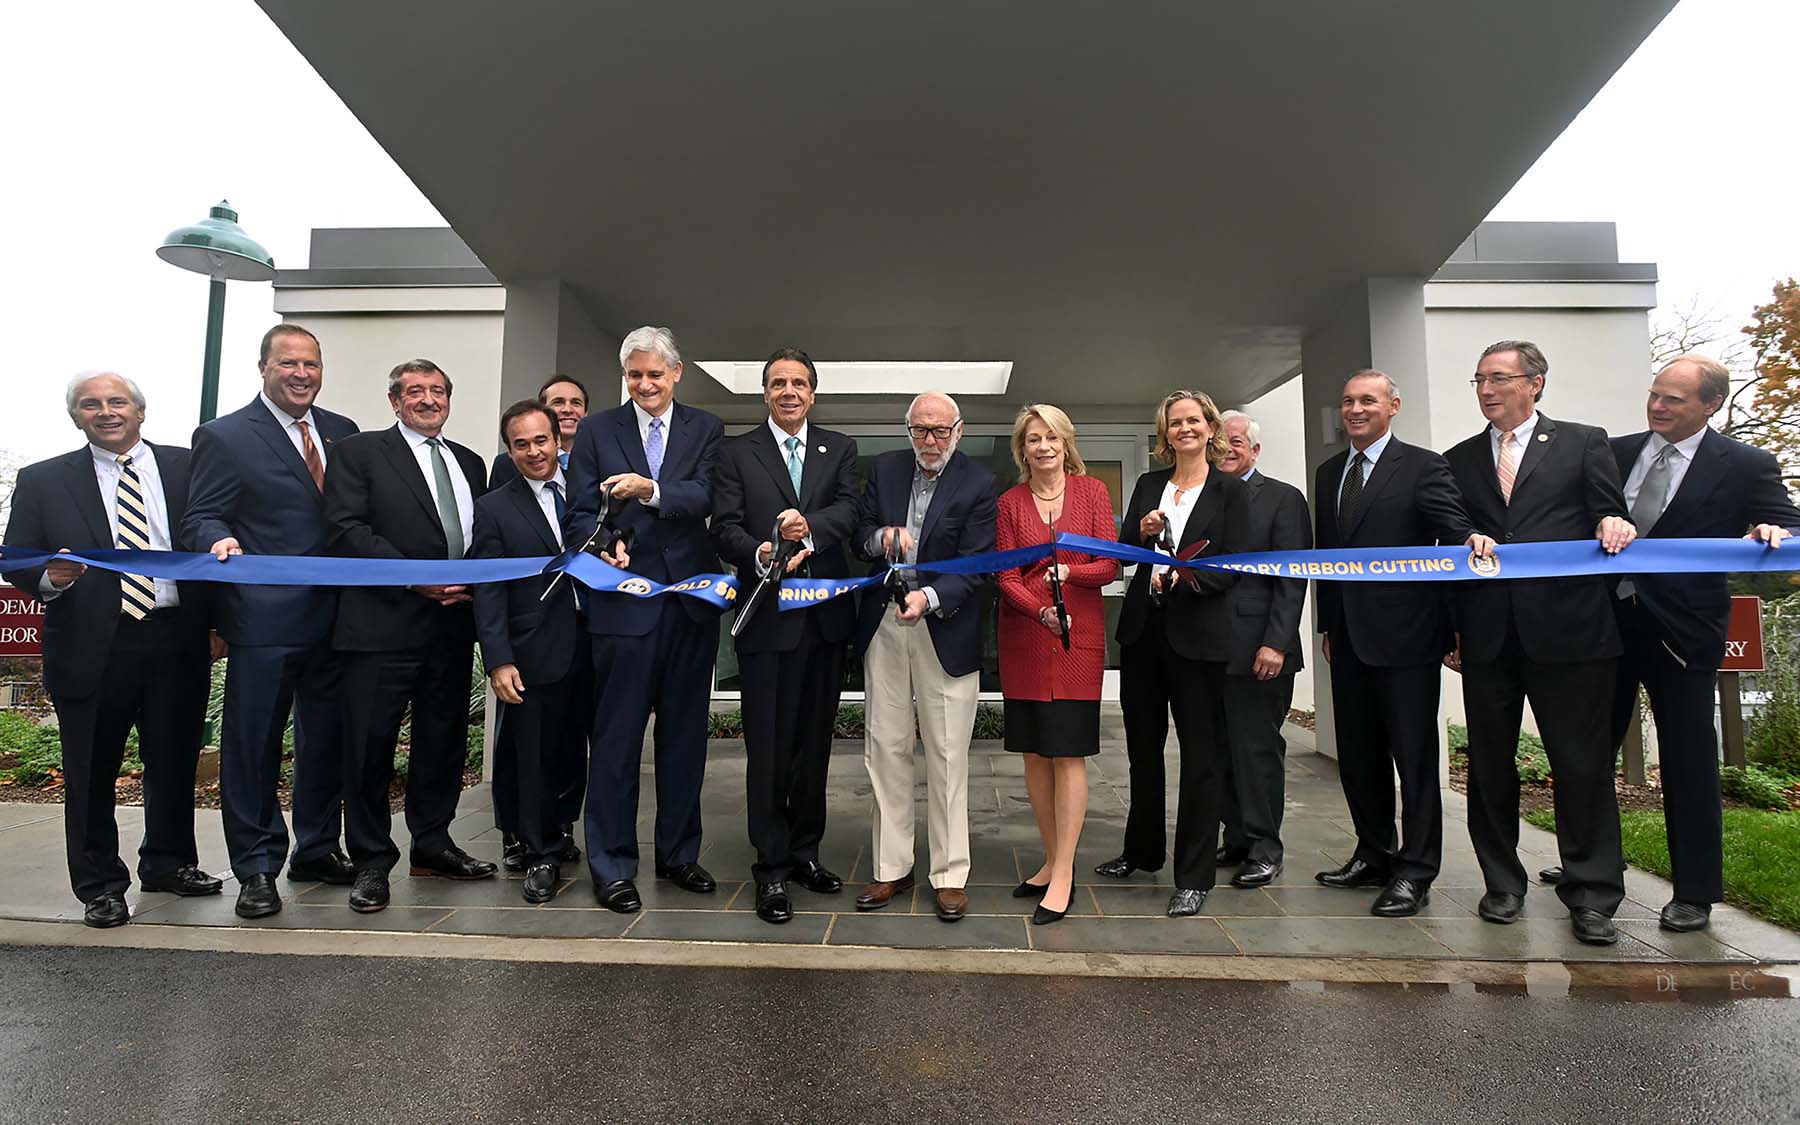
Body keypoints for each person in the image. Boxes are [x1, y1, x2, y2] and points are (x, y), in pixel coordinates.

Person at [1550, 353, 1799, 933]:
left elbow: (1788, 523)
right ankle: (1585, 869)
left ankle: (1694, 891)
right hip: (1602, 625)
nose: (1657, 406)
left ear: (1711, 405)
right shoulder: (1614, 450)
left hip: (1683, 635)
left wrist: (1772, 531)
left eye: (1674, 400)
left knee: (1689, 762)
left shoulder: (1745, 464)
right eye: (1655, 394)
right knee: (1585, 757)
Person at [5, 373, 220, 927]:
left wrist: (220, 624)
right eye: (90, 405)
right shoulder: (44, 479)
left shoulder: (187, 466)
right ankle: (99, 883)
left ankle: (169, 862)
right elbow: (17, 557)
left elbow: (211, 538)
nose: (105, 412)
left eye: (117, 402)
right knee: (91, 770)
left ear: (140, 412)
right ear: (76, 417)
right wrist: (47, 576)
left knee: (173, 760)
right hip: (92, 644)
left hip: (177, 635)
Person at [1443, 339, 1634, 946]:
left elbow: (1609, 511)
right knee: (1490, 766)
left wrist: (1613, 521)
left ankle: (1593, 893)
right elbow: (1450, 534)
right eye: (1478, 380)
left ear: (1536, 383)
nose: (1486, 390)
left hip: (1570, 632)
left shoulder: (1583, 441)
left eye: (1498, 378)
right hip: (1488, 636)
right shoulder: (1459, 458)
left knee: (1581, 766)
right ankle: (1502, 882)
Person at [185, 324, 360, 919]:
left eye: (311, 364)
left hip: (337, 617)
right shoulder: (225, 436)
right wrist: (219, 538)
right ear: (263, 366)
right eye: (288, 363)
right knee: (253, 745)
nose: (301, 374)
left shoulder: (342, 432)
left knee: (327, 741)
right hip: (263, 619)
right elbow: (201, 515)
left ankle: (316, 848)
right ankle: (257, 867)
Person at [1313, 370, 1488, 918]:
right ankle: (1373, 853)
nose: (1355, 410)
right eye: (1347, 401)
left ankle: (1416, 870)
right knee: (1358, 757)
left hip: (1407, 639)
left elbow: (1451, 528)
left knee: (1413, 759)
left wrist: (1468, 543)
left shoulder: (1423, 465)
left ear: (1394, 405)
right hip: (1347, 639)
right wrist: (1327, 626)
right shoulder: (1328, 473)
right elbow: (1328, 556)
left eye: (1367, 400)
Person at [322, 359, 495, 913]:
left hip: (450, 626)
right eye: (414, 392)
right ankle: (372, 861)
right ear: (394, 401)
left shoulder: (468, 462)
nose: (427, 400)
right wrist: (414, 578)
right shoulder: (359, 452)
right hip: (381, 626)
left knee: (441, 743)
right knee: (370, 747)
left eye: (438, 391)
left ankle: (433, 843)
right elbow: (346, 529)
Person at [566, 326, 725, 914]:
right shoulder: (596, 429)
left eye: (655, 374)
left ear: (676, 373)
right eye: (635, 375)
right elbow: (579, 509)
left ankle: (680, 854)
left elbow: (706, 495)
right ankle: (610, 865)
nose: (645, 385)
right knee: (616, 740)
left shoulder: (705, 427)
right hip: (622, 606)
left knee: (685, 739)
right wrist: (605, 541)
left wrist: (650, 490)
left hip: (688, 604)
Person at [710, 347, 859, 924]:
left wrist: (811, 531)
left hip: (823, 623)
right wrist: (760, 549)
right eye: (778, 383)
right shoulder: (735, 452)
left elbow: (849, 511)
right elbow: (723, 528)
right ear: (765, 393)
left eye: (799, 383)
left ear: (813, 393)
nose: (789, 392)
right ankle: (770, 869)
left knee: (815, 749)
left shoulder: (840, 449)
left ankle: (804, 854)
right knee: (769, 751)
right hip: (768, 622)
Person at [1097, 391, 1247, 916]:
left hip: (1200, 634)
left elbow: (1234, 563)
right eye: (1174, 423)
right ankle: (1140, 852)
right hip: (1144, 632)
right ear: (1165, 433)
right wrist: (1139, 531)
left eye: (1192, 421)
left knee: (1201, 758)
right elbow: (1122, 549)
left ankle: (1195, 874)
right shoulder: (1146, 484)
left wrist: (1185, 580)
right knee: (1142, 750)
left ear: (1210, 428)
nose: (1184, 429)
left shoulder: (1230, 490)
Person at [851, 392, 999, 923]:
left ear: (959, 431)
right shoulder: (885, 469)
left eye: (939, 431)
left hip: (945, 626)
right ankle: (891, 866)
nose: (929, 441)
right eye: (920, 430)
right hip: (885, 624)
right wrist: (879, 538)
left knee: (947, 754)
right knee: (884, 747)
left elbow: (978, 565)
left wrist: (930, 597)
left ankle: (949, 874)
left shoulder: (979, 483)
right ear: (906, 430)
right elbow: (859, 532)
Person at [471, 402, 604, 904]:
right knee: (533, 756)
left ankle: (562, 830)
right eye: (522, 444)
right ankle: (539, 852)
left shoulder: (588, 498)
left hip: (593, 643)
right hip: (531, 649)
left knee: (574, 750)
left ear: (558, 441)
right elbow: (488, 588)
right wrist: (498, 658)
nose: (534, 452)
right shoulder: (494, 507)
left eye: (541, 440)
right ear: (510, 450)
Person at [996, 404, 1118, 925]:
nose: (1042, 447)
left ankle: (1064, 872)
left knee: (1067, 755)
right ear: (1022, 450)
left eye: (1051, 437)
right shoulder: (1009, 503)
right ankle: (1050, 860)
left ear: (1066, 443)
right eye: (1032, 439)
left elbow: (1110, 563)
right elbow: (1003, 575)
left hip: (1077, 644)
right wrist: (1040, 609)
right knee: (1034, 756)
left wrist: (1068, 572)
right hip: (1025, 638)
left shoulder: (1092, 493)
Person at [1213, 409, 1310, 887]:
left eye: (1235, 441)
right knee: (1223, 749)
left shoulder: (1282, 499)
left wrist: (1275, 643)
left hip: (1260, 648)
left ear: (1254, 449)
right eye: (1220, 440)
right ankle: (1236, 838)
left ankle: (1265, 846)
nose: (1226, 448)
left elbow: (1291, 577)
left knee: (1257, 750)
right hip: (1210, 646)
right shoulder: (1205, 495)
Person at [489, 374, 588, 488]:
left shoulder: (598, 460)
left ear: (585, 413)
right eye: (558, 402)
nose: (567, 410)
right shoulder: (506, 464)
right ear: (542, 410)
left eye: (576, 403)